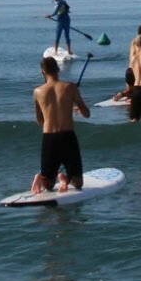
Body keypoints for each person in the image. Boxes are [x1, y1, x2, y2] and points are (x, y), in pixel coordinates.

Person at [28, 54, 91, 195]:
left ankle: (41, 177)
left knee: (49, 186)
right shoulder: (70, 87)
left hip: (49, 138)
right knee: (78, 184)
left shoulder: (37, 92)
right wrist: (76, 109)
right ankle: (65, 179)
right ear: (58, 69)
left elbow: (40, 120)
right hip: (68, 136)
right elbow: (87, 113)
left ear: (42, 72)